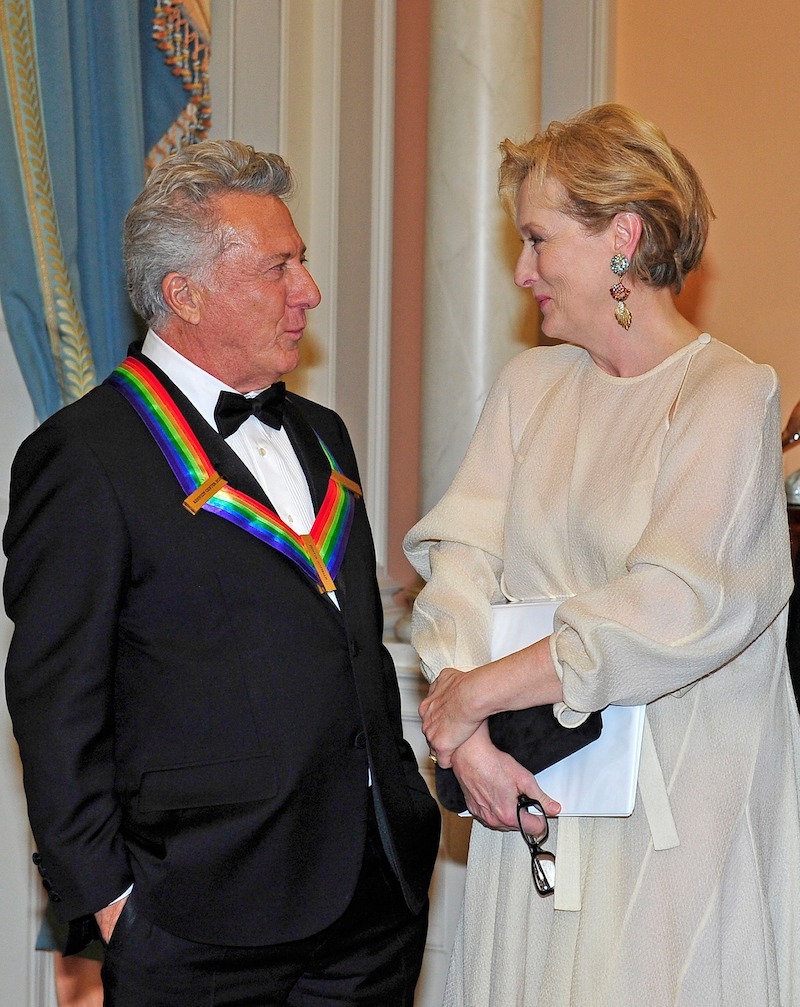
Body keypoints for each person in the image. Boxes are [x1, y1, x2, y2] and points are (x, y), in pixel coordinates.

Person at [4, 138, 440, 1007]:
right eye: (278, 268)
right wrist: (112, 906)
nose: (307, 291)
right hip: (197, 918)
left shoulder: (323, 432)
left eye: (303, 262)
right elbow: (57, 705)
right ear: (184, 294)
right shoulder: (84, 456)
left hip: (369, 901)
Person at [403, 104, 800, 1006]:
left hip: (677, 825)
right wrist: (465, 737)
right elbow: (460, 563)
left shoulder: (728, 395)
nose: (522, 270)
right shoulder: (528, 386)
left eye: (540, 240)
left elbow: (673, 605)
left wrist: (478, 693)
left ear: (623, 237)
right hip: (533, 794)